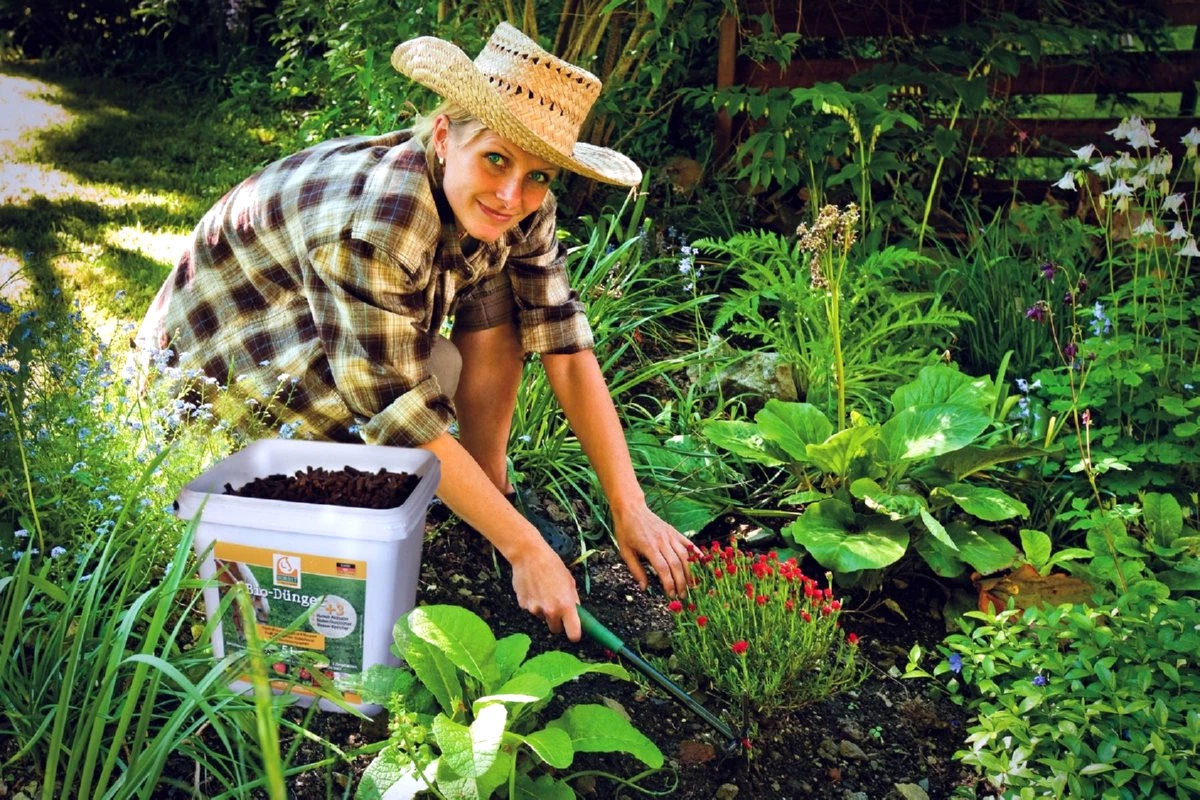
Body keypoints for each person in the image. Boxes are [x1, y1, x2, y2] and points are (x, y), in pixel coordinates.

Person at [136, 22, 693, 641]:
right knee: (427, 393)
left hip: (313, 341)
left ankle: (489, 490)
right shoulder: (380, 223)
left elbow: (562, 342)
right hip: (215, 383)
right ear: (445, 134)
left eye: (537, 175)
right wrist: (527, 551)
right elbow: (396, 411)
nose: (512, 194)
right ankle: (329, 516)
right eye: (496, 158)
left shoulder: (516, 204)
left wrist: (630, 506)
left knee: (496, 299)